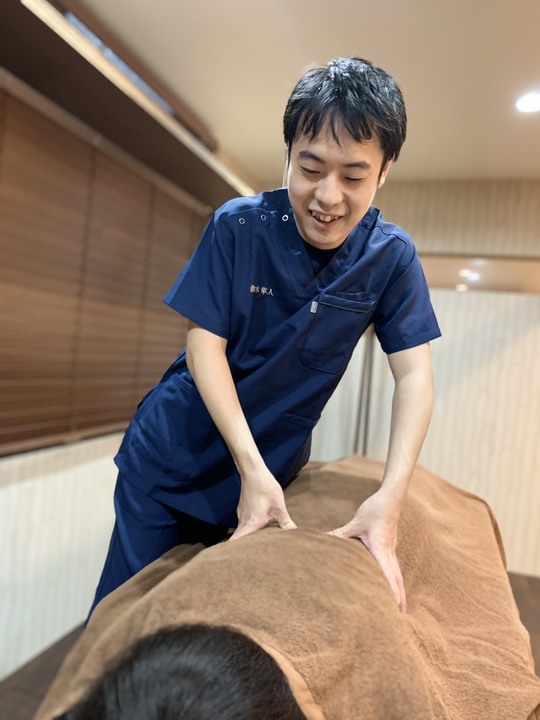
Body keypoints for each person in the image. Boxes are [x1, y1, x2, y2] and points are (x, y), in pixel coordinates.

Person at [90, 56, 441, 616]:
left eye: (353, 177)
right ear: (288, 156)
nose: (327, 197)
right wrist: (250, 469)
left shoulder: (390, 258)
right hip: (175, 455)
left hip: (274, 466)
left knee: (211, 619)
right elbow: (204, 344)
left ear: (384, 172)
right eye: (310, 168)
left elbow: (414, 375)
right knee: (123, 617)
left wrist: (390, 498)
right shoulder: (239, 226)